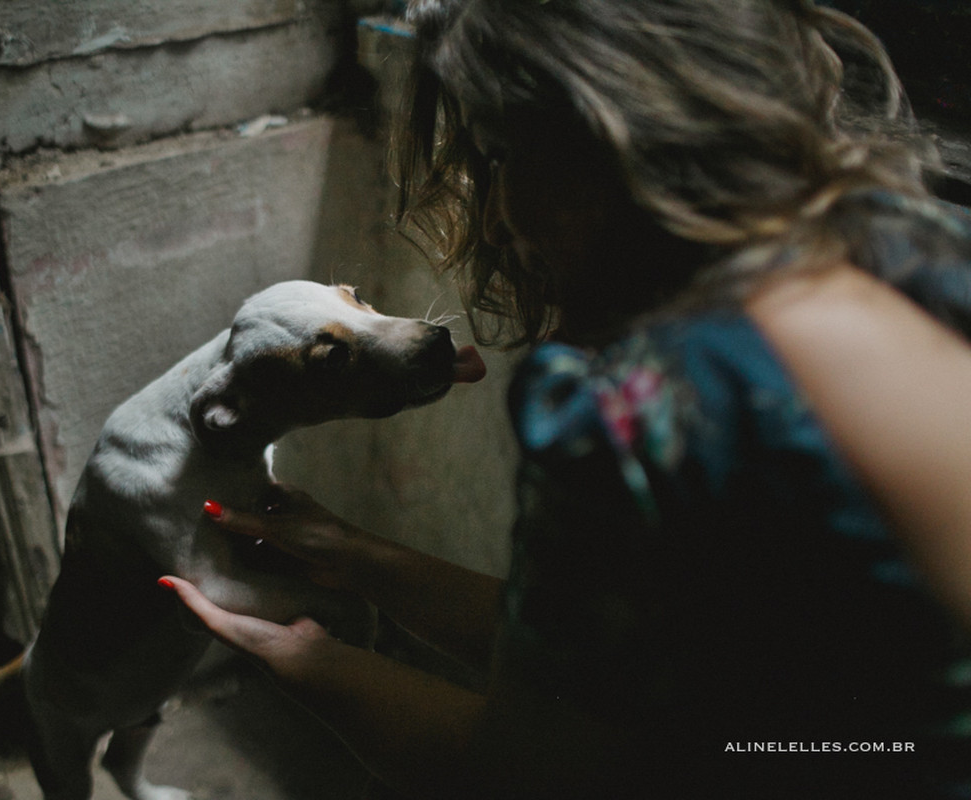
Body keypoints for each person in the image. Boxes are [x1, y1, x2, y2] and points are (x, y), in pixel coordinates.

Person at [158, 1, 971, 796]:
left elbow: (522, 771)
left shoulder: (638, 417)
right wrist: (358, 557)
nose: (501, 218)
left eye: (502, 156)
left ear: (600, 141)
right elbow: (626, 663)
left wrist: (301, 660)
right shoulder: (918, 248)